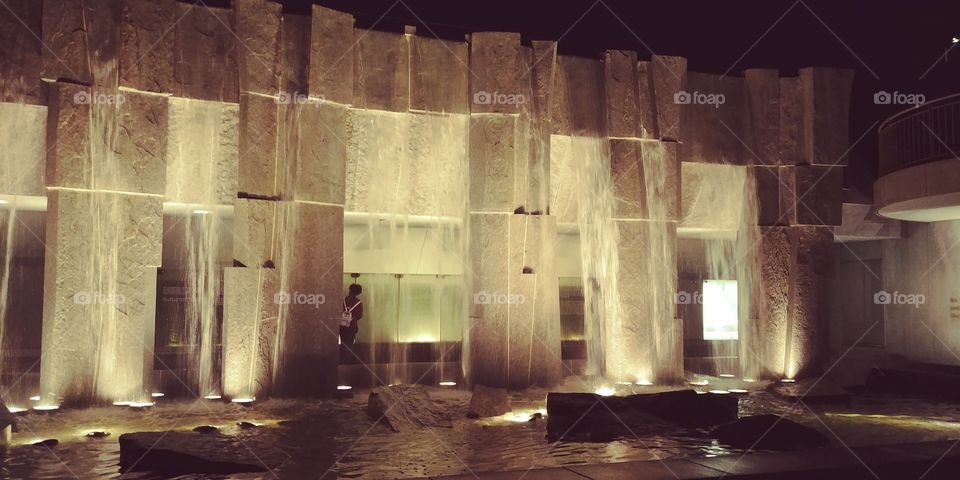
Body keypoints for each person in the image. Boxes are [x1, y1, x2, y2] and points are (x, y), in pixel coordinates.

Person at [340, 284, 363, 354]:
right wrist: (352, 317)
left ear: (350, 290)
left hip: (342, 327)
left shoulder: (344, 300)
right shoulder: (359, 303)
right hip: (352, 327)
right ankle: (347, 360)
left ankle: (342, 360)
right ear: (359, 293)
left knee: (343, 344)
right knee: (350, 345)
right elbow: (359, 316)